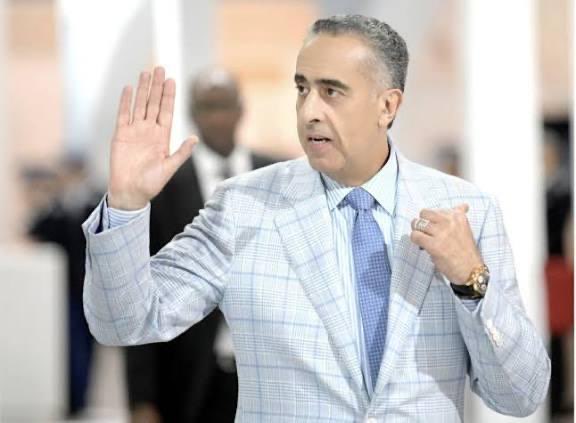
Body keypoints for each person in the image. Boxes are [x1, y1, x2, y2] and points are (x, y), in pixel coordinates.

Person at [82, 15, 550, 421]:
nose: (309, 111)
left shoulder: (467, 211)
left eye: (331, 92)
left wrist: (472, 282)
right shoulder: (244, 206)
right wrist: (126, 204)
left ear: (387, 106)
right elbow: (124, 321)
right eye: (302, 89)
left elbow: (521, 394)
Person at [124, 67, 276, 423]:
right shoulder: (163, 187)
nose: (218, 117)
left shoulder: (275, 177)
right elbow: (139, 288)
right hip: (187, 377)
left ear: (241, 110)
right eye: (208, 107)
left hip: (267, 372)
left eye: (225, 106)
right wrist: (140, 397)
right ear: (193, 114)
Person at [26, 155, 102, 416]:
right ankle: (70, 400)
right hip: (64, 291)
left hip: (92, 290)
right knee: (68, 345)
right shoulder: (57, 207)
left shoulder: (96, 205)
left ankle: (81, 399)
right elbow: (35, 231)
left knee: (88, 347)